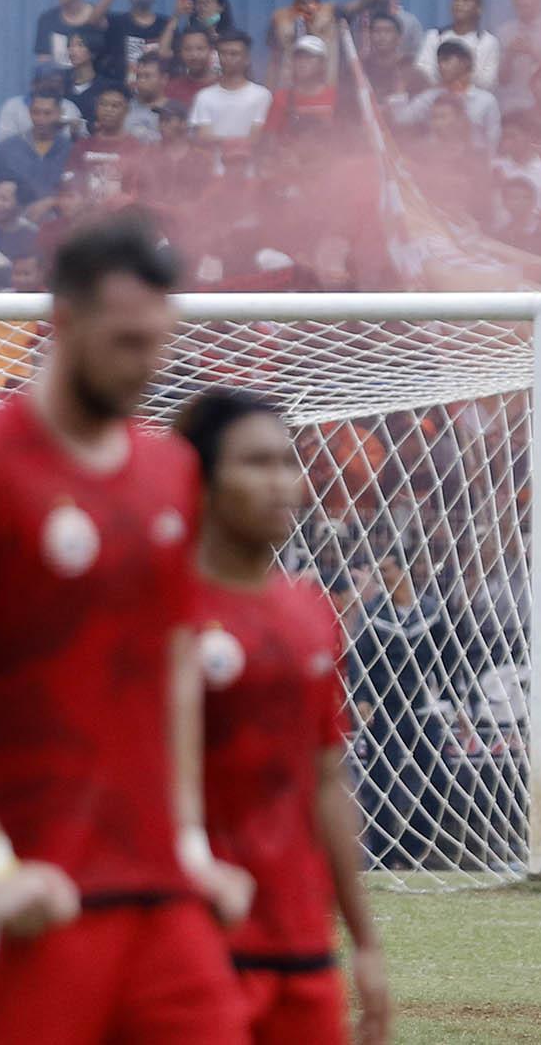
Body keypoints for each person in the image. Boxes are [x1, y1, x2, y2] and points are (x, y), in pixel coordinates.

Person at [0, 215, 251, 1044]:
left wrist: (191, 842)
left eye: (160, 341)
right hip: (28, 886)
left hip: (153, 882)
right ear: (61, 324)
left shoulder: (170, 474)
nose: (148, 364)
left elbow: (172, 665)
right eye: (127, 341)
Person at [176, 391, 390, 1045]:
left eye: (287, 461)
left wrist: (366, 941)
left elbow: (326, 777)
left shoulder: (312, 612)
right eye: (256, 462)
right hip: (191, 941)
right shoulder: (159, 608)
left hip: (302, 945)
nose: (281, 482)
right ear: (202, 481)